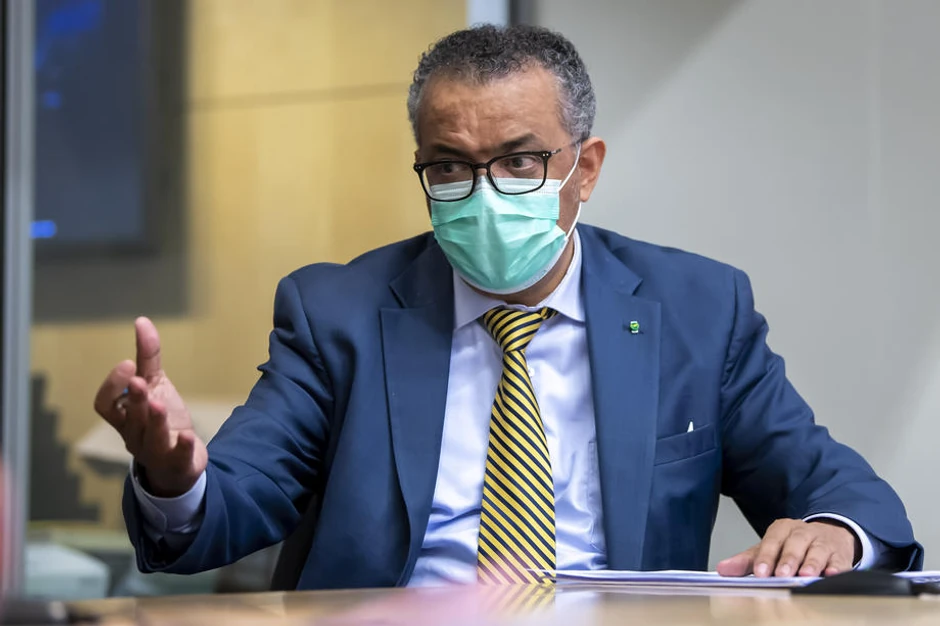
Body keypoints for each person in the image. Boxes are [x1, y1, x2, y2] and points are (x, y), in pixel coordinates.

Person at [93, 25, 921, 589]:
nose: (484, 193)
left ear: (585, 169)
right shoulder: (336, 312)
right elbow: (223, 514)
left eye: (520, 162)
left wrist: (838, 532)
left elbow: (846, 494)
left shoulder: (697, 310)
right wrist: (176, 474)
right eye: (450, 167)